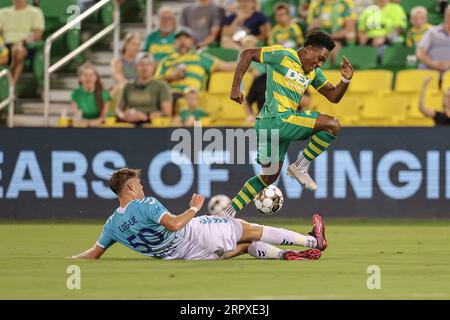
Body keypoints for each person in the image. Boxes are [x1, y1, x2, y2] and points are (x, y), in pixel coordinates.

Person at [220, 30, 353, 218]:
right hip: (277, 120)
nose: (319, 63)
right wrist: (235, 87)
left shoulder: (314, 73)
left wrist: (345, 80)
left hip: (268, 127)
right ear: (307, 49)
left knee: (269, 177)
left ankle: (228, 211)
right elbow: (247, 54)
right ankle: (299, 166)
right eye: (319, 58)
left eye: (323, 61)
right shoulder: (283, 55)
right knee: (333, 125)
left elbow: (333, 96)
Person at [69, 168, 326, 261]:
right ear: (131, 186)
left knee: (245, 245)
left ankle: (285, 255)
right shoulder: (144, 204)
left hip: (186, 256)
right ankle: (314, 241)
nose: (143, 186)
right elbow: (174, 224)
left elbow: (93, 255)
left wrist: (71, 258)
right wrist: (194, 208)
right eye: (139, 182)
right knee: (249, 228)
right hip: (195, 234)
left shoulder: (112, 224)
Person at [155, 29, 236, 111]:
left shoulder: (201, 57)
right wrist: (171, 77)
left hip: (192, 96)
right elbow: (155, 82)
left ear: (192, 41)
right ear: (174, 42)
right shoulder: (166, 60)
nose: (182, 41)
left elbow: (227, 66)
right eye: (179, 39)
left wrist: (247, 64)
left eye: (186, 38)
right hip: (169, 95)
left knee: (188, 108)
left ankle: (195, 123)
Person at [117, 53, 172, 125]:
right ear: (135, 67)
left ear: (153, 67)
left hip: (152, 124)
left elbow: (167, 112)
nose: (145, 68)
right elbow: (119, 110)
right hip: (131, 123)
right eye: (141, 65)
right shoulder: (128, 86)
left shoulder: (161, 86)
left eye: (148, 65)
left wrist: (146, 116)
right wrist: (124, 116)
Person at [0, 0, 45, 83]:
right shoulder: (3, 12)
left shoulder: (35, 12)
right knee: (11, 53)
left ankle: (11, 86)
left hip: (26, 45)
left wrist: (23, 42)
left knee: (18, 51)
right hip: (4, 46)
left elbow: (38, 34)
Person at [71, 63, 111, 127]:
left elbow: (103, 117)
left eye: (91, 75)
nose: (88, 78)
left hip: (100, 126)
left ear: (96, 77)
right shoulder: (76, 93)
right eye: (85, 75)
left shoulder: (104, 93)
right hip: (82, 125)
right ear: (80, 78)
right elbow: (76, 116)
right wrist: (86, 123)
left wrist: (90, 123)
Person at [110, 33, 142, 113]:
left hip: (139, 90)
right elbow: (120, 79)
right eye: (133, 44)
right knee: (121, 88)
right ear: (126, 45)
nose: (136, 47)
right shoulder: (117, 61)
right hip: (123, 90)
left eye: (138, 45)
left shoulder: (141, 62)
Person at [416, 5, 450, 73]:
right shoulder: (432, 31)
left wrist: (448, 64)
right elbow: (420, 52)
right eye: (449, 14)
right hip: (429, 71)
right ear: (445, 15)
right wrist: (432, 63)